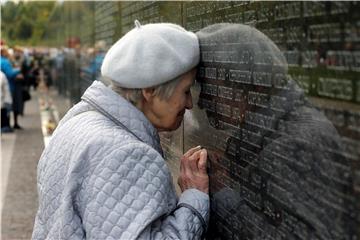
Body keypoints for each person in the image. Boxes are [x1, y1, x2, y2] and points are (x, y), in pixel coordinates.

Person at [32, 20, 209, 239]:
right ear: (150, 90)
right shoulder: (128, 155)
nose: (190, 103)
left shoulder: (78, 120)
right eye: (185, 91)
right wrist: (195, 199)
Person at [192, 23, 357, 239]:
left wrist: (220, 192)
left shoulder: (300, 144)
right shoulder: (271, 130)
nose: (202, 102)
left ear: (252, 86)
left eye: (211, 89)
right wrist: (231, 170)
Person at [0, 45, 24, 129]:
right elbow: (10, 73)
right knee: (9, 105)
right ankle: (7, 125)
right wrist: (18, 70)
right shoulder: (5, 62)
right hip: (9, 86)